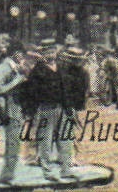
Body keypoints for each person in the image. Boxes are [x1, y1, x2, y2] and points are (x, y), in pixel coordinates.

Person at [23, 42, 70, 182]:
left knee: (64, 140)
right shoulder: (38, 71)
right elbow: (30, 92)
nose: (51, 55)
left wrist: (68, 106)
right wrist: (31, 111)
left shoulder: (61, 67)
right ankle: (47, 172)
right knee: (45, 141)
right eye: (47, 52)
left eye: (52, 51)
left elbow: (66, 88)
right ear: (42, 54)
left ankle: (66, 170)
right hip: (45, 109)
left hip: (61, 108)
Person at [0, 41, 31, 185]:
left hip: (15, 109)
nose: (23, 56)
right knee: (12, 144)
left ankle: (8, 175)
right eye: (21, 53)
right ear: (15, 53)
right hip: (7, 110)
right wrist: (18, 80)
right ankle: (7, 176)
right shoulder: (3, 68)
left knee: (14, 144)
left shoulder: (14, 67)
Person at [58, 46, 90, 179]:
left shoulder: (84, 73)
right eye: (75, 60)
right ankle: (67, 157)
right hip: (66, 106)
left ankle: (71, 157)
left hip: (76, 106)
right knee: (67, 132)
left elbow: (85, 91)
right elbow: (65, 91)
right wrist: (69, 107)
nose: (78, 62)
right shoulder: (65, 73)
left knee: (73, 132)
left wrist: (78, 107)